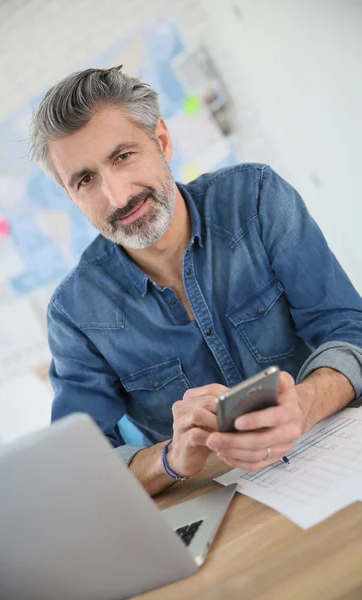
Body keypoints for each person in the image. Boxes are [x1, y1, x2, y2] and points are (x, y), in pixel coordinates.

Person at [30, 66, 362, 496]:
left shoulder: (257, 198)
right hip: (216, 501)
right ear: (71, 196)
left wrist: (305, 403)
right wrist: (169, 458)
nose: (117, 196)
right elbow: (81, 468)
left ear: (162, 141)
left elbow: (349, 330)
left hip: (336, 452)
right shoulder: (74, 313)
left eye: (123, 156)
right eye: (86, 180)